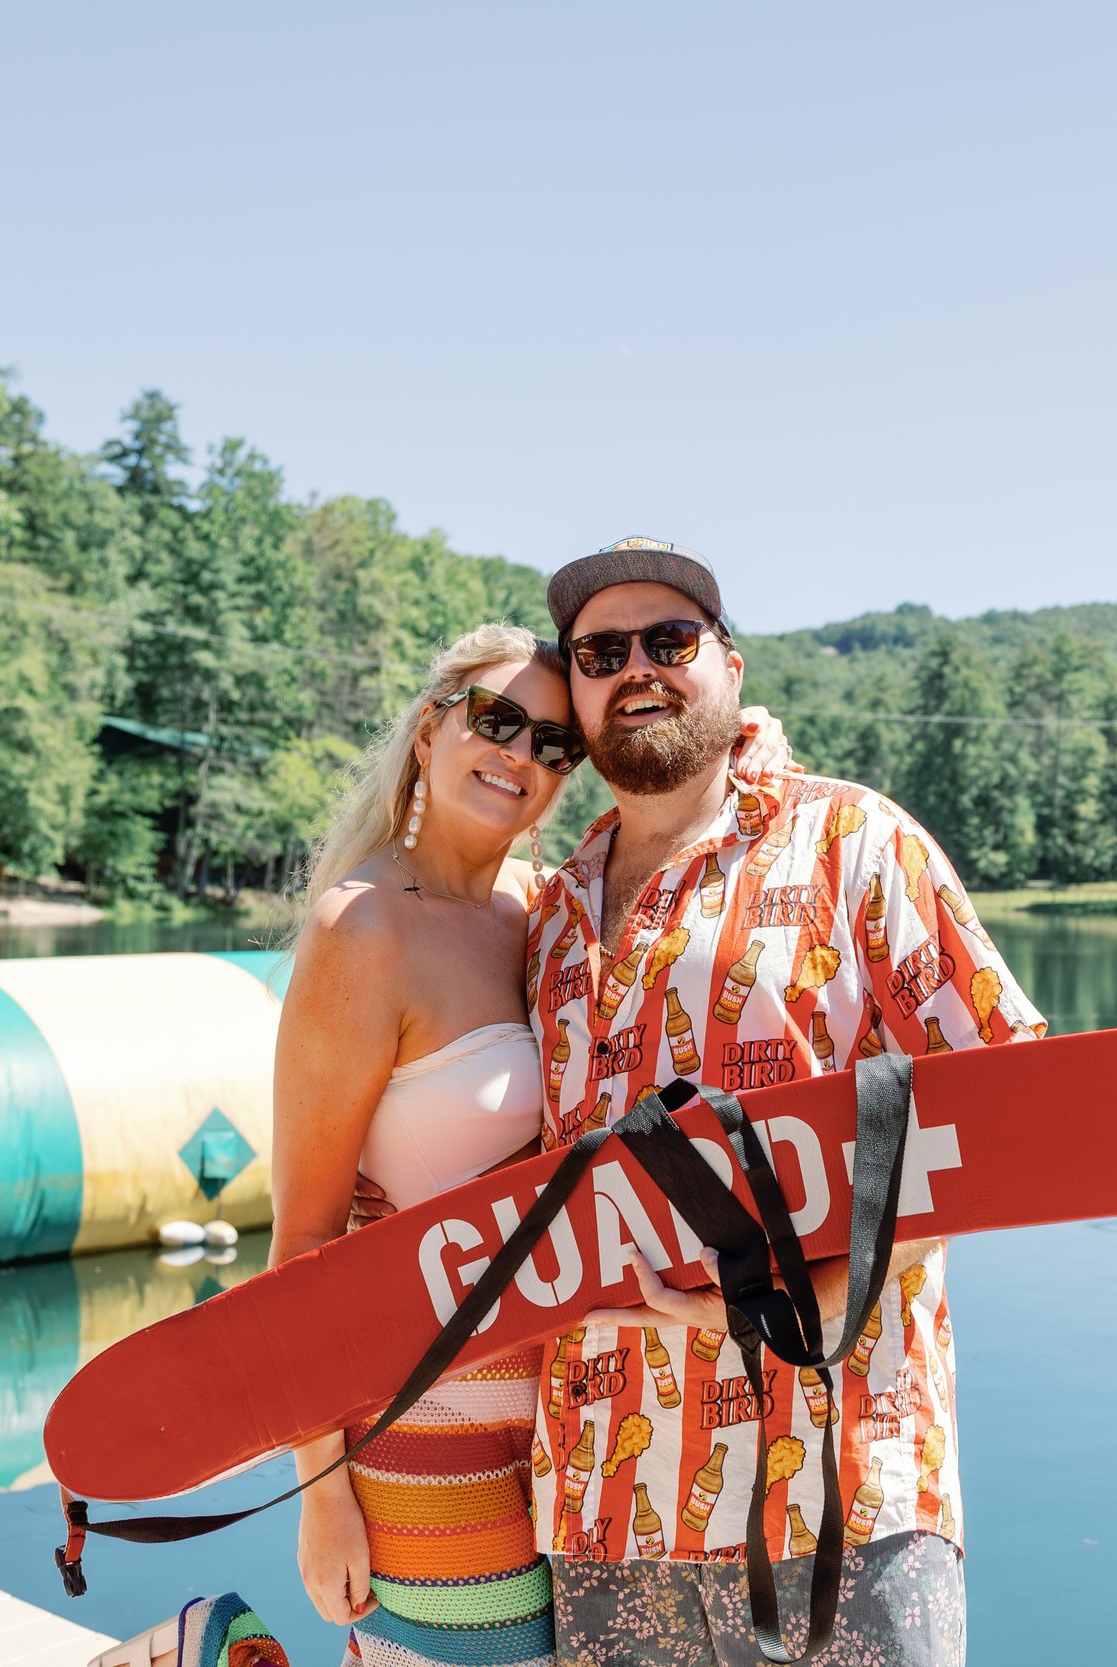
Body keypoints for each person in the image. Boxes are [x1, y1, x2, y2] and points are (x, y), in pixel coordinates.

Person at [524, 537, 1046, 1667]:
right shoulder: (550, 917)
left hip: (839, 1493)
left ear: (731, 665)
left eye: (670, 640)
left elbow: (1015, 1111)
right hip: (598, 1499)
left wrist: (804, 1293)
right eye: (600, 650)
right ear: (572, 689)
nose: (637, 668)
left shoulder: (857, 843)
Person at [269, 621, 791, 1667]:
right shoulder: (361, 926)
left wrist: (739, 746)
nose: (520, 754)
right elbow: (303, 1241)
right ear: (431, 729)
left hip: (577, 1408)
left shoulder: (542, 910)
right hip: (426, 1414)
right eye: (496, 720)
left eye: (555, 743)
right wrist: (319, 1491)